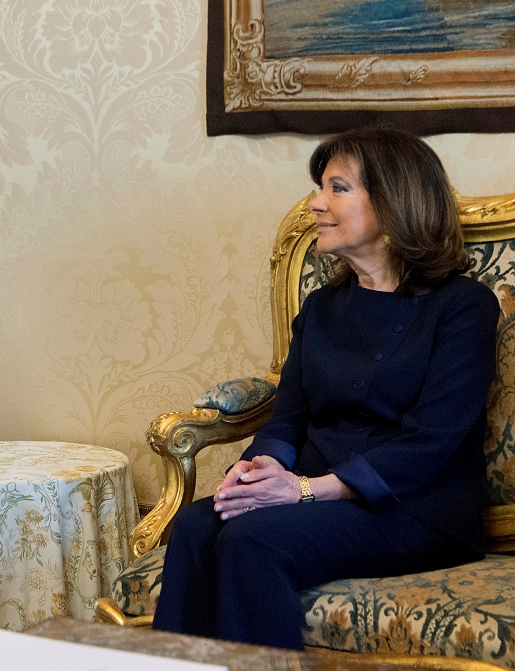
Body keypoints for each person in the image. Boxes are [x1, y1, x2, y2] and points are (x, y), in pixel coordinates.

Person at [150, 127, 500, 650]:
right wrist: (262, 467)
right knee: (199, 524)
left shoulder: (463, 307)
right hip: (315, 493)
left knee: (252, 538)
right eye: (321, 188)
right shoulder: (321, 308)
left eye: (337, 188)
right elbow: (287, 417)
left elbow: (431, 441)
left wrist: (305, 489)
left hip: (415, 506)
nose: (315, 204)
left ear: (393, 201)